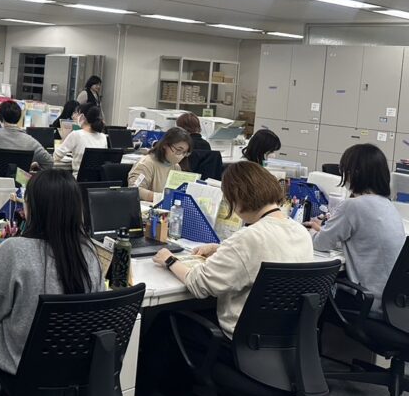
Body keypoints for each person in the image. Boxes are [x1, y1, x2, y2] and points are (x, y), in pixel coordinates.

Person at [0, 168, 103, 374]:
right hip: (75, 378)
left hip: (19, 377)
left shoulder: (15, 250)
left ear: (32, 208)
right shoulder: (89, 254)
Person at [154, 161, 313, 338]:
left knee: (161, 322)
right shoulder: (301, 231)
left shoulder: (248, 237)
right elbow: (265, 253)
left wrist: (169, 260)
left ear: (238, 198)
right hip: (285, 335)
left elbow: (199, 284)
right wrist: (222, 249)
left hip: (242, 338)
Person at [307, 144, 405, 313]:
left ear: (354, 173)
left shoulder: (353, 206)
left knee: (310, 297)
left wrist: (315, 230)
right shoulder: (388, 205)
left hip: (366, 300)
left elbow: (320, 245)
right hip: (394, 303)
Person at [0, 100, 53, 169]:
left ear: (1, 117)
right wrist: (30, 167)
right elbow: (49, 162)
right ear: (19, 117)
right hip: (20, 180)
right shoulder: (29, 141)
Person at [128, 127, 191, 202]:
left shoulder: (176, 166)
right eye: (178, 150)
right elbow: (135, 190)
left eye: (184, 152)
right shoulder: (146, 163)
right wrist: (160, 197)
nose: (180, 155)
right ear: (165, 145)